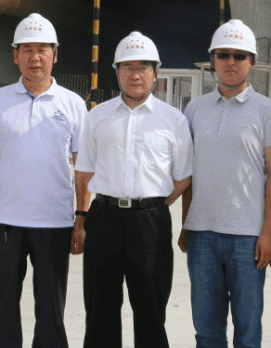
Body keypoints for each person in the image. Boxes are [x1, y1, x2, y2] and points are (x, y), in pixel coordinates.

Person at [0, 13, 87, 348]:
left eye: (42, 49)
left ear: (55, 54)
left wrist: (81, 218)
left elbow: (84, 169)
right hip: (6, 221)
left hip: (55, 222)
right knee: (2, 308)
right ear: (14, 55)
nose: (34, 57)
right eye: (27, 49)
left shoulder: (73, 105)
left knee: (51, 311)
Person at [73, 32, 194, 348]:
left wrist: (154, 203)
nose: (135, 75)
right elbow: (84, 172)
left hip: (150, 224)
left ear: (156, 72)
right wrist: (81, 219)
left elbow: (183, 177)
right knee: (100, 311)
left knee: (151, 309)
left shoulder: (173, 121)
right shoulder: (97, 116)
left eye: (143, 67)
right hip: (104, 219)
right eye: (127, 67)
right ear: (117, 71)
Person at [180, 18, 271, 348]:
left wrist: (269, 233)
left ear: (251, 62)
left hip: (247, 238)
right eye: (223, 55)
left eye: (240, 56)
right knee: (207, 331)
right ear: (213, 60)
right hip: (202, 237)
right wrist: (186, 224)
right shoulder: (194, 110)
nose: (231, 62)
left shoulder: (267, 111)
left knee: (248, 329)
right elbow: (189, 175)